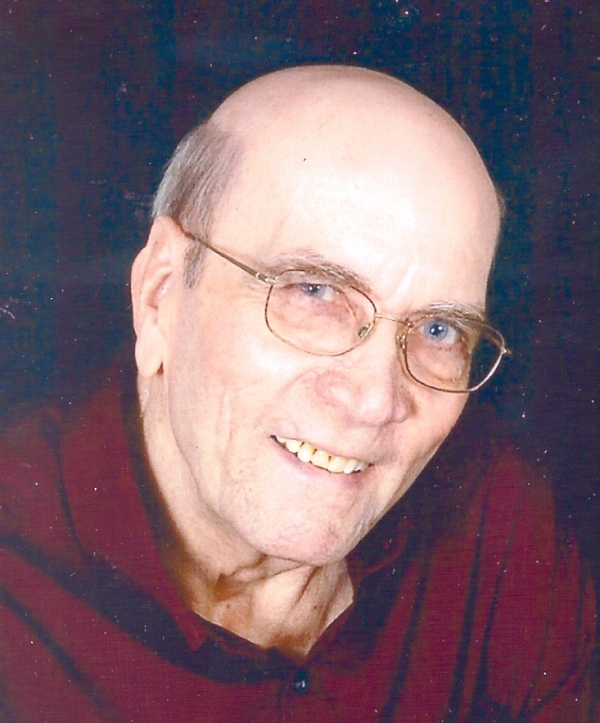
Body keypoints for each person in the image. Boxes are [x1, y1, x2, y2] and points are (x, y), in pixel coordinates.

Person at [0, 65, 594, 722]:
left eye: (438, 328)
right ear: (161, 292)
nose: (374, 401)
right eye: (315, 292)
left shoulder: (502, 528)